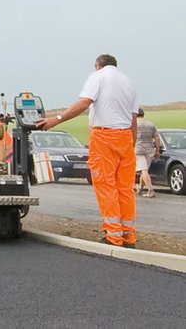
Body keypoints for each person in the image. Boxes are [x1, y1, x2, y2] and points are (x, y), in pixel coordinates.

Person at [36, 54, 139, 248]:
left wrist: (56, 119)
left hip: (104, 136)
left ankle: (113, 236)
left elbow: (84, 103)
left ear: (98, 65)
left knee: (105, 184)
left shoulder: (98, 77)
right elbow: (133, 119)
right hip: (125, 138)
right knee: (124, 188)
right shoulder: (128, 82)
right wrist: (130, 146)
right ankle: (128, 236)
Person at [134, 109, 160, 198]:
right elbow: (157, 138)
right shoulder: (150, 124)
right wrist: (157, 150)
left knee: (144, 171)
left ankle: (151, 190)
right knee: (145, 171)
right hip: (149, 151)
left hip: (138, 150)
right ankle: (140, 188)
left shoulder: (133, 124)